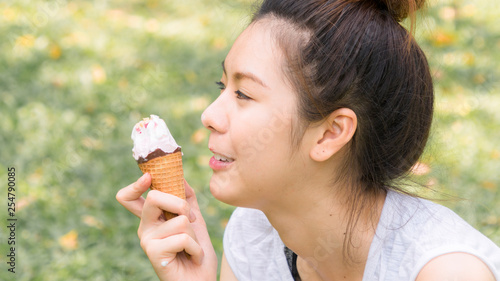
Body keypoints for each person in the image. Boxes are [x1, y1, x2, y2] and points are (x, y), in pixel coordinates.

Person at [116, 0, 500, 280]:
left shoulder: (444, 271)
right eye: (223, 85)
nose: (210, 116)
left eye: (244, 94)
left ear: (331, 133)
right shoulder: (254, 233)